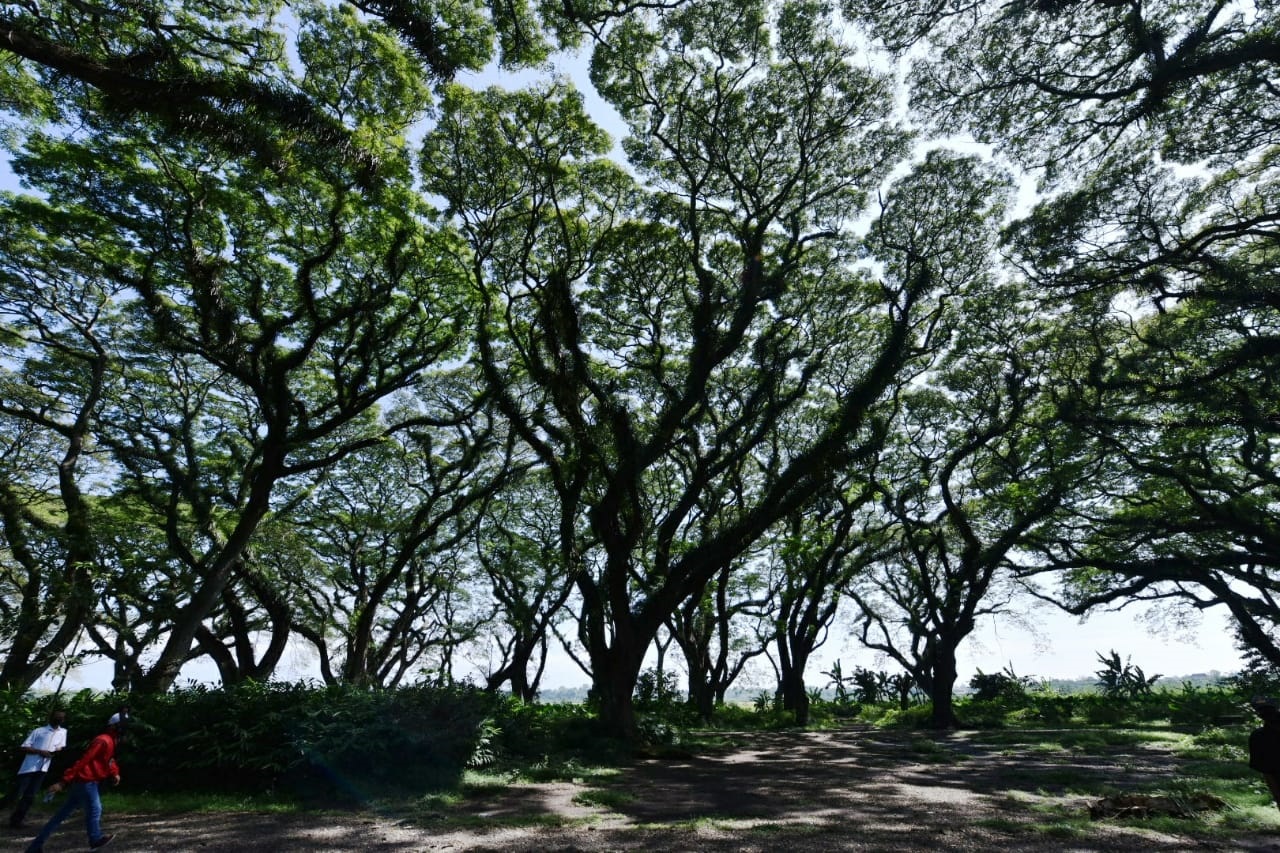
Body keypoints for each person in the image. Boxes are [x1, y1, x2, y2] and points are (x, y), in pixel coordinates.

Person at [24, 712, 126, 852]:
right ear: (114, 726)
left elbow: (108, 759)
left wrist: (114, 772)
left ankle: (34, 847)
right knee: (95, 809)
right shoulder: (102, 740)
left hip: (86, 782)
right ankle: (95, 839)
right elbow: (85, 760)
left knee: (60, 816)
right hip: (86, 781)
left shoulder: (111, 740)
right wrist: (63, 781)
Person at [5, 710, 67, 829]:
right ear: (51, 718)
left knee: (30, 795)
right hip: (29, 767)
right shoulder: (39, 731)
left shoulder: (63, 732)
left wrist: (55, 751)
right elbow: (24, 747)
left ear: (63, 720)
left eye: (61, 718)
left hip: (43, 768)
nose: (59, 719)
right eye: (57, 717)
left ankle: (17, 820)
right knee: (16, 793)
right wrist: (40, 751)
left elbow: (60, 746)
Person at [1249, 697, 1280, 811]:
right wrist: (1277, 795)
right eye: (1262, 711)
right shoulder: (1258, 736)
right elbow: (1265, 770)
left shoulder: (1258, 736)